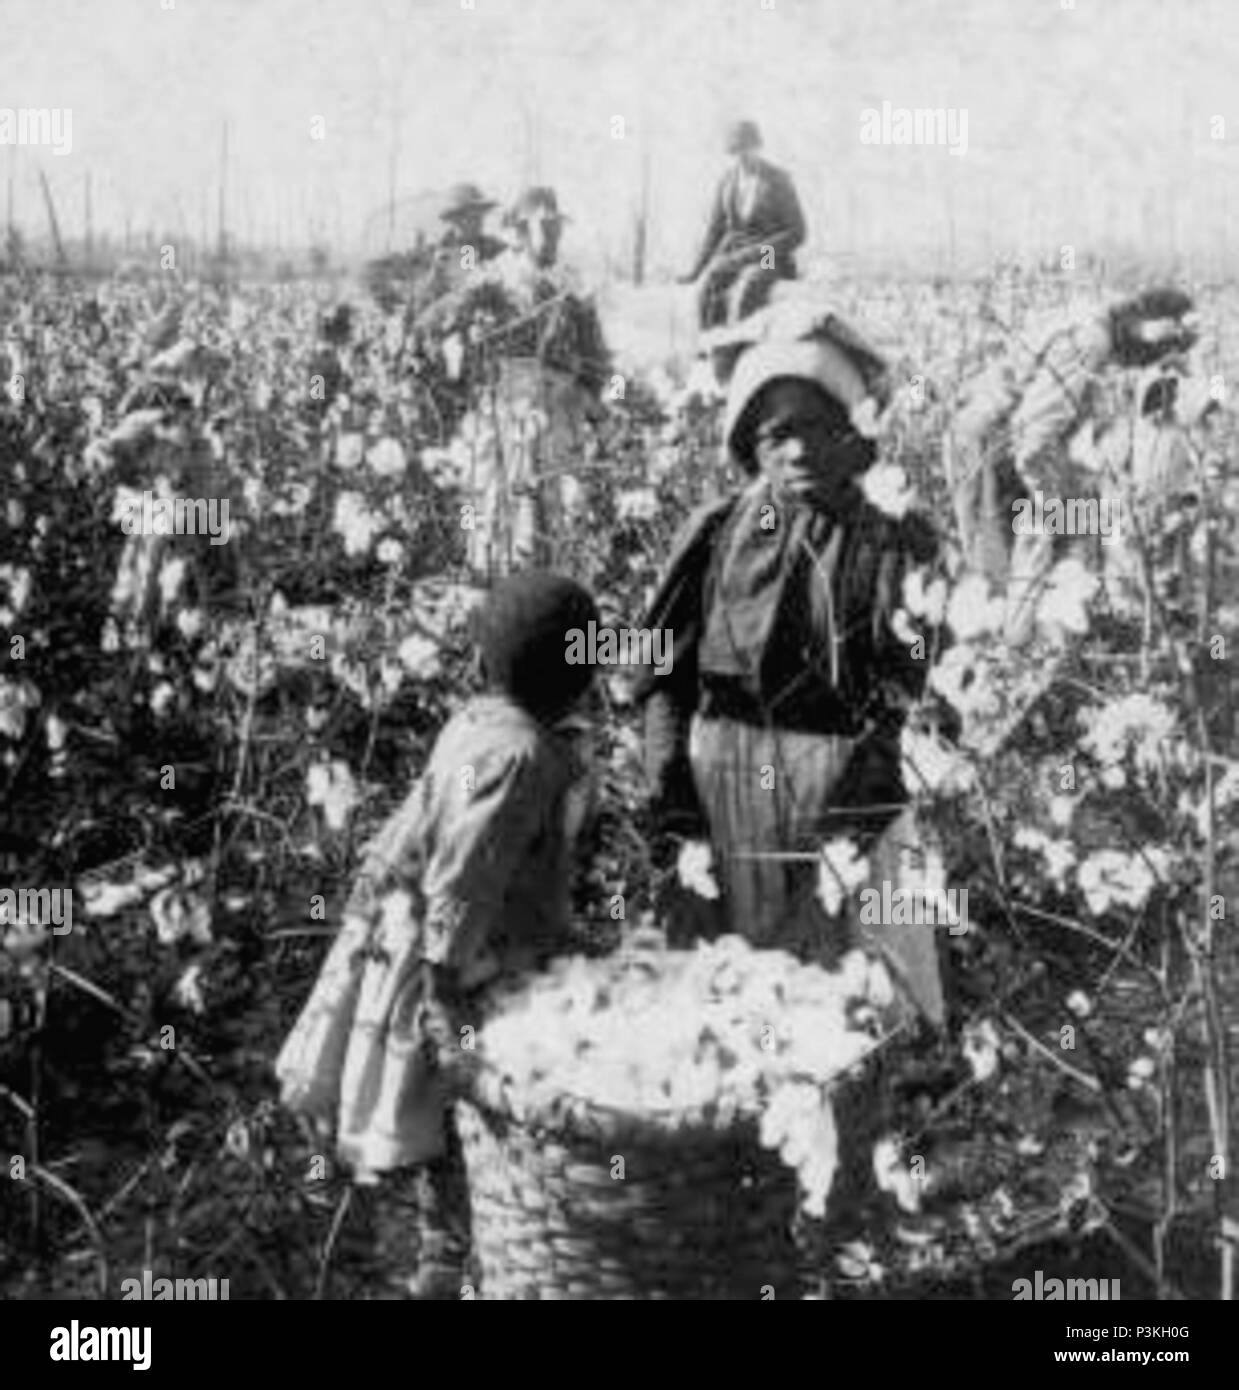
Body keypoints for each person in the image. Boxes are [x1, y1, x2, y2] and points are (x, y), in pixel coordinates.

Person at [275, 572, 601, 1299]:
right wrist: (444, 987)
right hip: (454, 963)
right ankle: (455, 1266)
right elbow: (465, 875)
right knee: (465, 1116)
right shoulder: (521, 760)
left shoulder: (477, 724)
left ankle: (453, 1256)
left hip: (424, 939)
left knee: (456, 1124)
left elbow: (425, 836)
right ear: (576, 680)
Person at [633, 307, 944, 1025]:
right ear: (749, 443)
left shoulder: (898, 543)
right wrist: (679, 831)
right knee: (727, 1009)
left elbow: (913, 716)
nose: (798, 451)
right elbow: (663, 682)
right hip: (725, 800)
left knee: (851, 1014)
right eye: (777, 434)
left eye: (816, 426)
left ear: (853, 433)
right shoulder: (718, 533)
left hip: (850, 800)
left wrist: (838, 853)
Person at [946, 287, 1199, 646]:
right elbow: (1033, 436)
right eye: (1154, 351)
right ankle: (1016, 663)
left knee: (1040, 548)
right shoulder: (1092, 341)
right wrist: (1055, 502)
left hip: (993, 441)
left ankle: (1032, 652)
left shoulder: (1093, 319)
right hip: (988, 449)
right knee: (1002, 574)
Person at [680, 119, 806, 333]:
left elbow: (797, 232)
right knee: (707, 290)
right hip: (735, 252)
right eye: (736, 152)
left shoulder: (778, 180)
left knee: (750, 286)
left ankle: (740, 348)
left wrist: (757, 253)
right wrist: (696, 271)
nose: (742, 157)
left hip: (769, 254)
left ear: (758, 147)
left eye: (747, 150)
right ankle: (712, 348)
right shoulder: (727, 181)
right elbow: (715, 231)